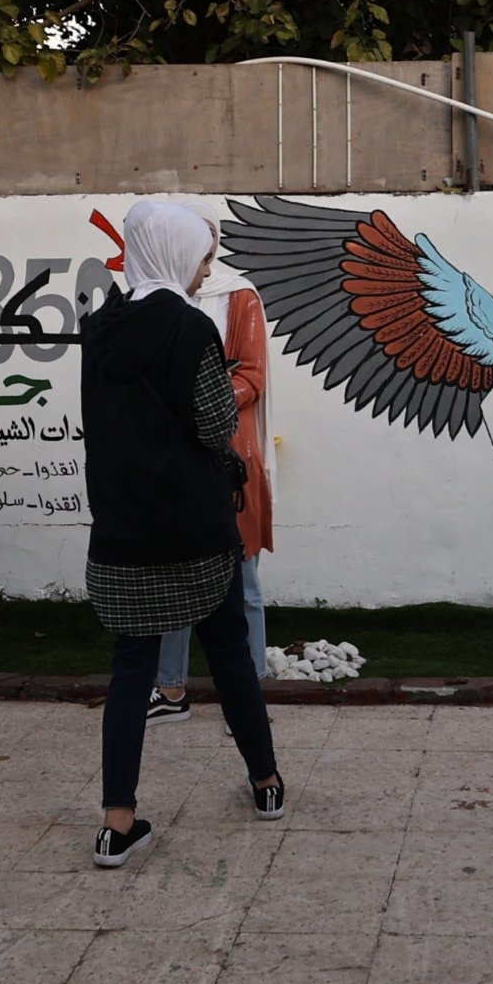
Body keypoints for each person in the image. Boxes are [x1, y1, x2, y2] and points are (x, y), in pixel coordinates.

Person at [80, 201, 286, 868]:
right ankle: (266, 785)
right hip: (197, 526)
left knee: (131, 668)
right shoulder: (192, 329)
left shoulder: (99, 327)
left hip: (122, 525)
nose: (205, 273)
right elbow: (213, 421)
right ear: (175, 254)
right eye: (201, 258)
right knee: (229, 655)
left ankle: (118, 825)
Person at [151, 250, 272, 720]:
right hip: (177, 458)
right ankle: (171, 690)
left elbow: (251, 376)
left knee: (243, 580)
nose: (202, 266)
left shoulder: (237, 295)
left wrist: (196, 401)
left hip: (230, 455)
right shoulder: (156, 299)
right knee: (175, 577)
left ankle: (250, 698)